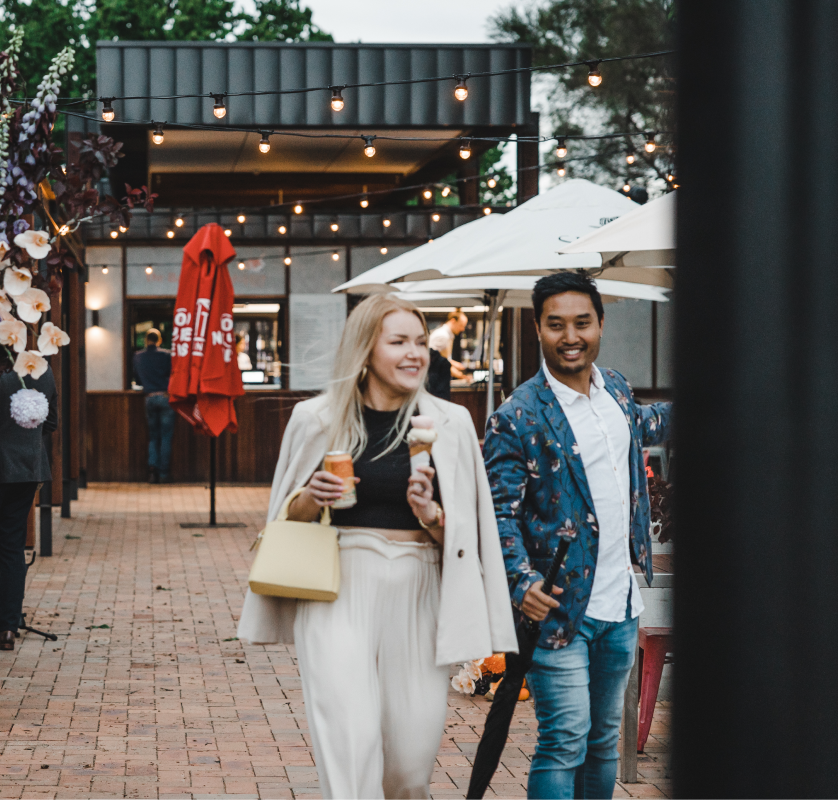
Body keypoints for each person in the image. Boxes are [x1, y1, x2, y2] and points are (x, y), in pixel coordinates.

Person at [238, 294, 517, 800]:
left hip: (420, 589)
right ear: (366, 350)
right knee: (349, 739)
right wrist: (310, 496)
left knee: (410, 768)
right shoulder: (316, 418)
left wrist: (432, 515)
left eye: (419, 341)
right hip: (336, 590)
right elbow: (282, 519)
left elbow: (470, 538)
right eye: (399, 342)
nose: (415, 353)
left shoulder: (451, 423)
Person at [482, 272, 672, 800]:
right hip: (558, 606)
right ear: (539, 329)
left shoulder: (614, 388)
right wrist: (522, 583)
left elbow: (642, 425)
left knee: (602, 739)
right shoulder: (516, 417)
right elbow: (498, 514)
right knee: (564, 739)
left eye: (582, 323)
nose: (571, 336)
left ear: (600, 324)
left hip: (620, 601)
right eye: (556, 324)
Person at [0, 367, 58, 651]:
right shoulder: (44, 371)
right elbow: (50, 423)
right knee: (13, 548)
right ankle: (7, 628)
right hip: (28, 468)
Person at [133, 328, 174, 483]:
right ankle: (163, 474)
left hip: (149, 397)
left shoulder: (138, 356)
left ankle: (152, 471)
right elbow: (174, 375)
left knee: (153, 437)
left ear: (145, 340)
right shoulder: (167, 355)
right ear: (159, 340)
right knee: (165, 437)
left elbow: (137, 380)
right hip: (165, 397)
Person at [429, 309, 470, 381]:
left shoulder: (446, 335)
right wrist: (462, 376)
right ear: (453, 321)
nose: (462, 329)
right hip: (436, 380)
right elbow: (437, 361)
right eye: (461, 325)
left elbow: (443, 357)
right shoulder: (443, 336)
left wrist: (456, 364)